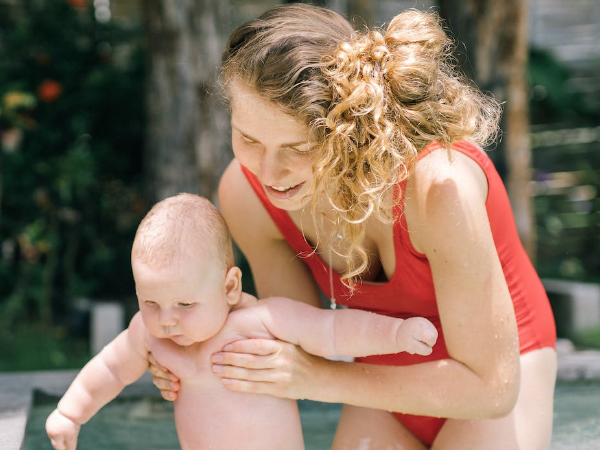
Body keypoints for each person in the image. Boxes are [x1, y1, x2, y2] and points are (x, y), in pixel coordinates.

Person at [148, 4, 558, 450]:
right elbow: (294, 339)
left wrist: (319, 380)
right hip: (378, 373)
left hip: (496, 370)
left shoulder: (440, 188)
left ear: (352, 129)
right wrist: (191, 348)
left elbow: (492, 387)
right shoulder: (247, 195)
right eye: (248, 139)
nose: (269, 172)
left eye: (297, 147)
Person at [45, 193, 437, 450]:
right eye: (150, 302)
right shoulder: (148, 335)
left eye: (184, 303)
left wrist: (396, 333)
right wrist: (70, 412)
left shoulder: (263, 321)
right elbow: (110, 369)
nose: (167, 320)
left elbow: (332, 332)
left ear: (230, 288)